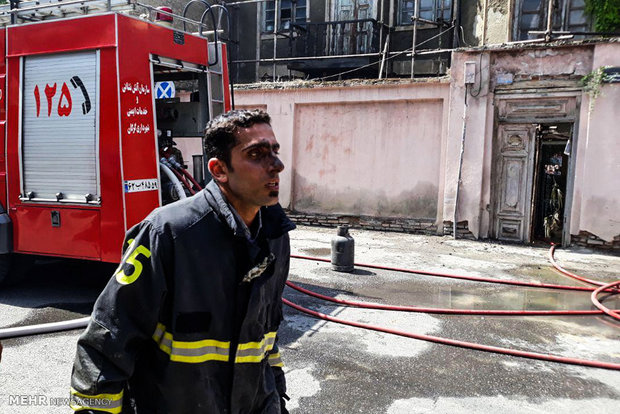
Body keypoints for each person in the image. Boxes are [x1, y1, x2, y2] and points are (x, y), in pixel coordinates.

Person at [70, 109, 294, 413]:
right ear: (219, 170)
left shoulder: (275, 235)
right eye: (256, 154)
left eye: (275, 151)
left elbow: (266, 336)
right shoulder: (168, 233)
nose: (277, 166)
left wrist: (276, 399)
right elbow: (105, 345)